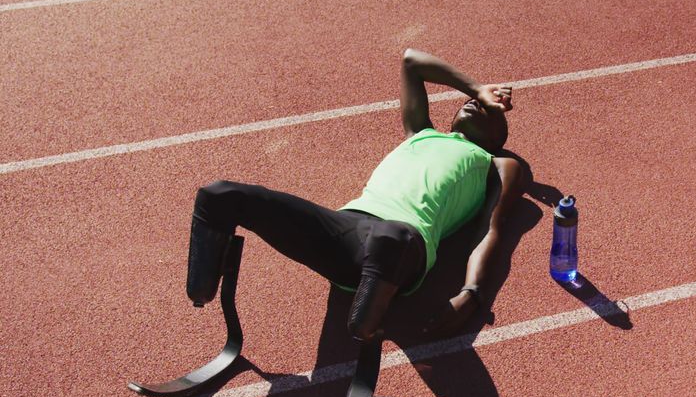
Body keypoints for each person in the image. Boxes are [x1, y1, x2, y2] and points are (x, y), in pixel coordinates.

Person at [185, 49, 527, 342]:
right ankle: (201, 292)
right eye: (470, 102)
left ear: (498, 138)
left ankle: (364, 323)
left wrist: (472, 293)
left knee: (390, 236)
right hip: (347, 228)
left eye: (488, 111)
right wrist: (478, 88)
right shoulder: (420, 132)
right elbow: (412, 60)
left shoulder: (497, 163)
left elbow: (490, 229)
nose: (476, 104)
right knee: (220, 195)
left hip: (407, 241)